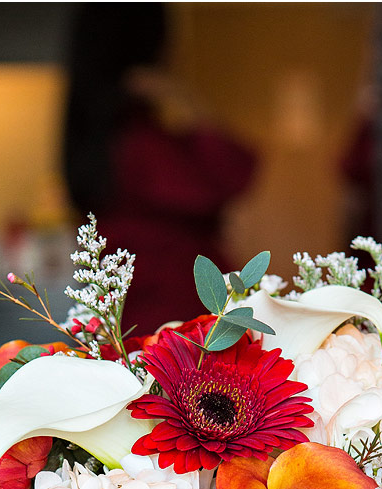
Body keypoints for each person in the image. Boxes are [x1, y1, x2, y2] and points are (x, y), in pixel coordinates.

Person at [62, 3, 257, 334]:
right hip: (174, 314)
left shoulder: (98, 137)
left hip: (139, 310)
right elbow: (234, 174)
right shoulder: (139, 143)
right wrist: (186, 99)